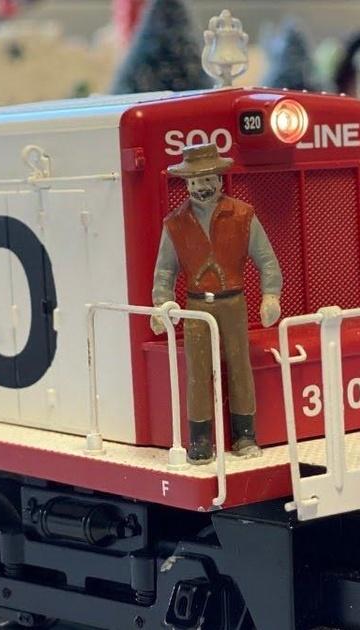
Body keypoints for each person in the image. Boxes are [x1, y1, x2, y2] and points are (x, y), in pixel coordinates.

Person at [150, 143, 282, 464]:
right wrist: (162, 303)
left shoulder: (243, 215)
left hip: (233, 304)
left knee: (240, 364)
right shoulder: (175, 223)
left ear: (220, 180)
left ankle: (245, 434)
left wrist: (271, 295)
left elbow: (267, 260)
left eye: (208, 179)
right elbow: (165, 271)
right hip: (195, 307)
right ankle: (200, 439)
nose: (203, 186)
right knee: (197, 370)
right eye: (196, 180)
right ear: (187, 184)